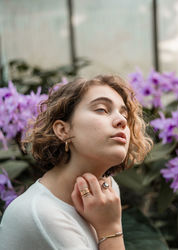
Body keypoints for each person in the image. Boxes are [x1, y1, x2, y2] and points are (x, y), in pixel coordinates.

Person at [0, 75, 152, 249]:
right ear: (63, 130)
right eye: (102, 109)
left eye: (124, 114)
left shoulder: (105, 190)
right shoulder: (39, 214)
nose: (122, 121)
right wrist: (110, 229)